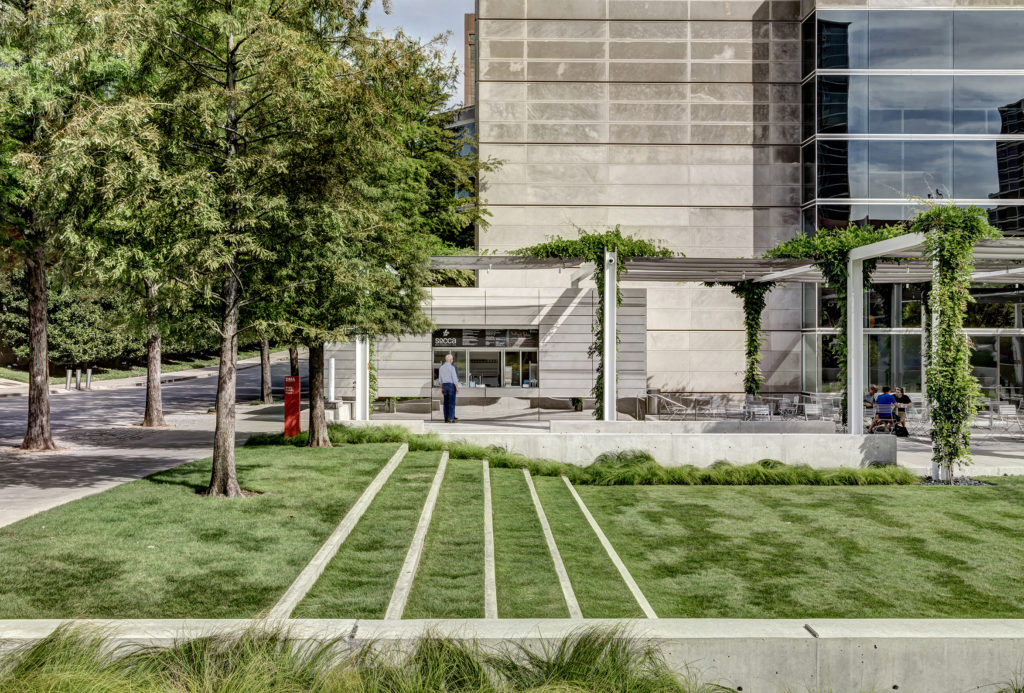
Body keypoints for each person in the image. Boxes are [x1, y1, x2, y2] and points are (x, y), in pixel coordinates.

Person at [438, 353, 460, 423]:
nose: (452, 360)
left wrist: (442, 388)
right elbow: (454, 379)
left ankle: (446, 419)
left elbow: (440, 380)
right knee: (451, 403)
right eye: (452, 359)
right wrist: (457, 387)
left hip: (444, 386)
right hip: (451, 386)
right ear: (450, 360)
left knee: (445, 403)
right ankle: (451, 419)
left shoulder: (441, 368)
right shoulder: (452, 367)